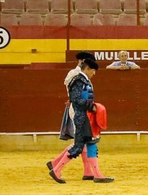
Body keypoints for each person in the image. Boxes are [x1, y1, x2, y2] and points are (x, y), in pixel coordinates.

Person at [47, 53, 110, 183]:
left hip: (85, 115)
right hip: (81, 115)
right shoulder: (78, 79)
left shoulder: (82, 79)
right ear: (87, 68)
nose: (94, 74)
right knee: (79, 146)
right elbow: (76, 99)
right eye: (93, 70)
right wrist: (91, 107)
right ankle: (56, 168)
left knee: (90, 142)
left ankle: (95, 173)